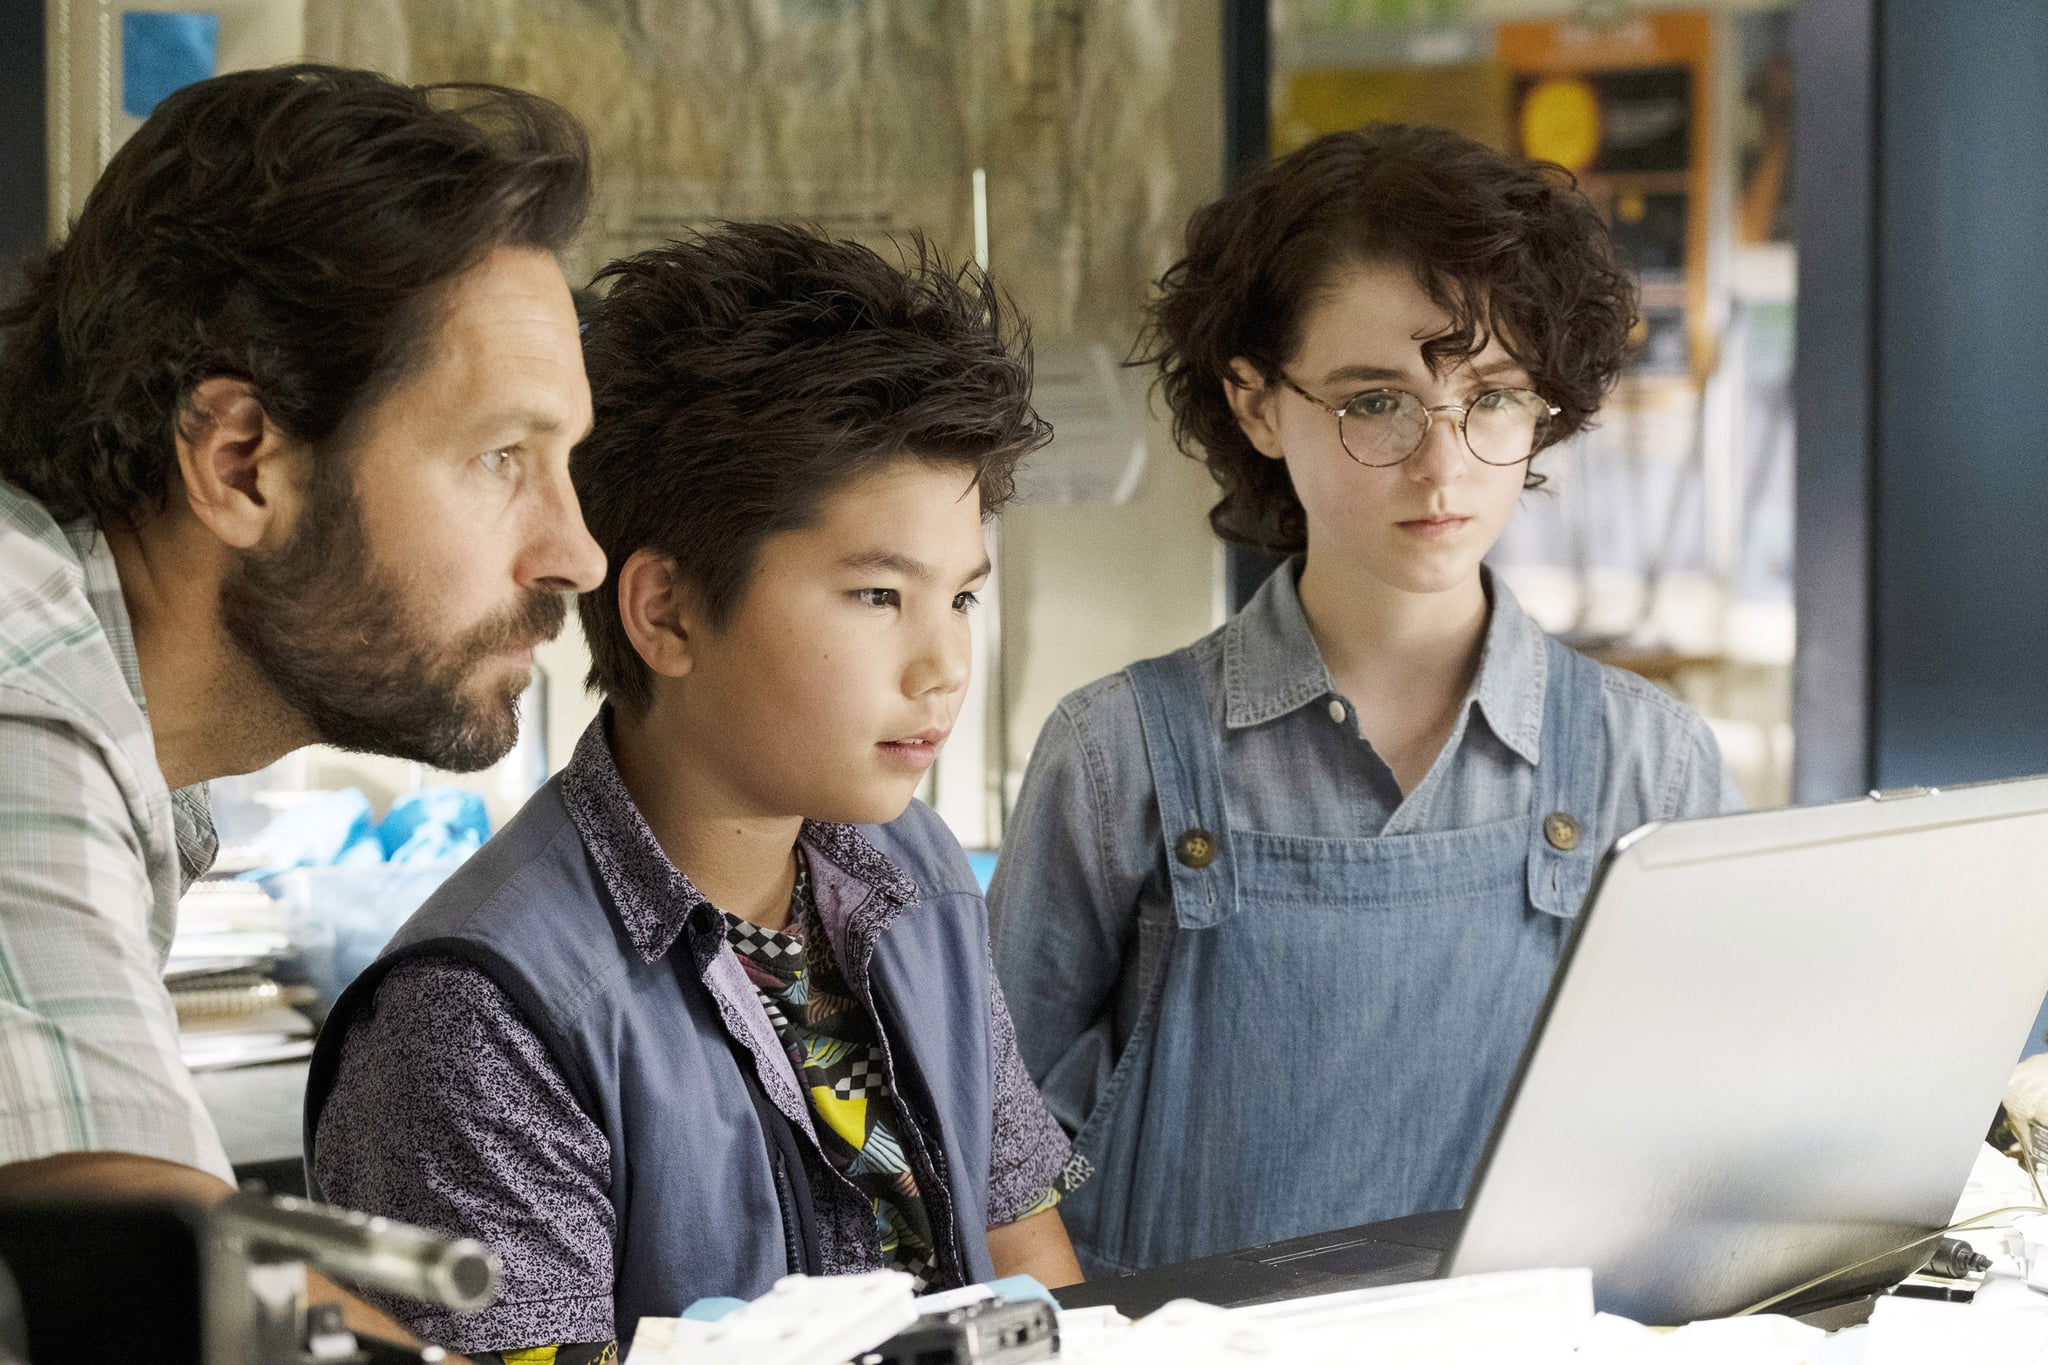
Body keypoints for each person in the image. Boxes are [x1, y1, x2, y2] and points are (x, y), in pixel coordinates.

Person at [306, 223, 1086, 1362]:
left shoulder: (912, 870)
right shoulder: (480, 1016)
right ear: (664, 611)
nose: (942, 666)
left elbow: (1026, 1254)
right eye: (877, 595)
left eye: (959, 599)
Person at [987, 124, 1744, 1277]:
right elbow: (991, 1159)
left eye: (1489, 398)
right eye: (1374, 403)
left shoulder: (1654, 764)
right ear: (1253, 405)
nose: (1440, 469)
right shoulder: (1116, 754)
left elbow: (1715, 1144)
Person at [0, 63, 604, 1330]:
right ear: (242, 462)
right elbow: (151, 1297)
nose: (576, 553)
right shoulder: (20, 684)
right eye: (502, 457)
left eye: (567, 465)